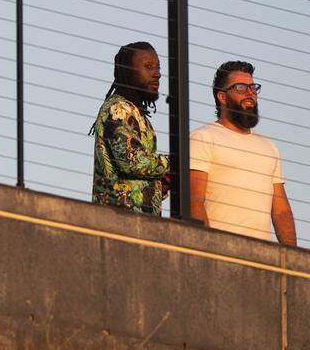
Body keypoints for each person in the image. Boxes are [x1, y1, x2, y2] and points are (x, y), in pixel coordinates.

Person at [189, 61, 297, 245]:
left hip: (263, 258)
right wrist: (207, 251)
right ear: (222, 97)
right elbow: (194, 200)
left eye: (253, 87)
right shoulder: (203, 138)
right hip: (222, 253)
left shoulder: (268, 147)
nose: (250, 93)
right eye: (240, 87)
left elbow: (281, 212)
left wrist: (293, 260)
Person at [90, 41, 172, 215]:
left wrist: (161, 183)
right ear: (128, 70)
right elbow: (133, 161)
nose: (157, 74)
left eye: (158, 67)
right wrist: (177, 163)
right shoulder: (118, 109)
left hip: (139, 223)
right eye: (148, 66)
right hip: (119, 222)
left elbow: (137, 180)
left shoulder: (137, 114)